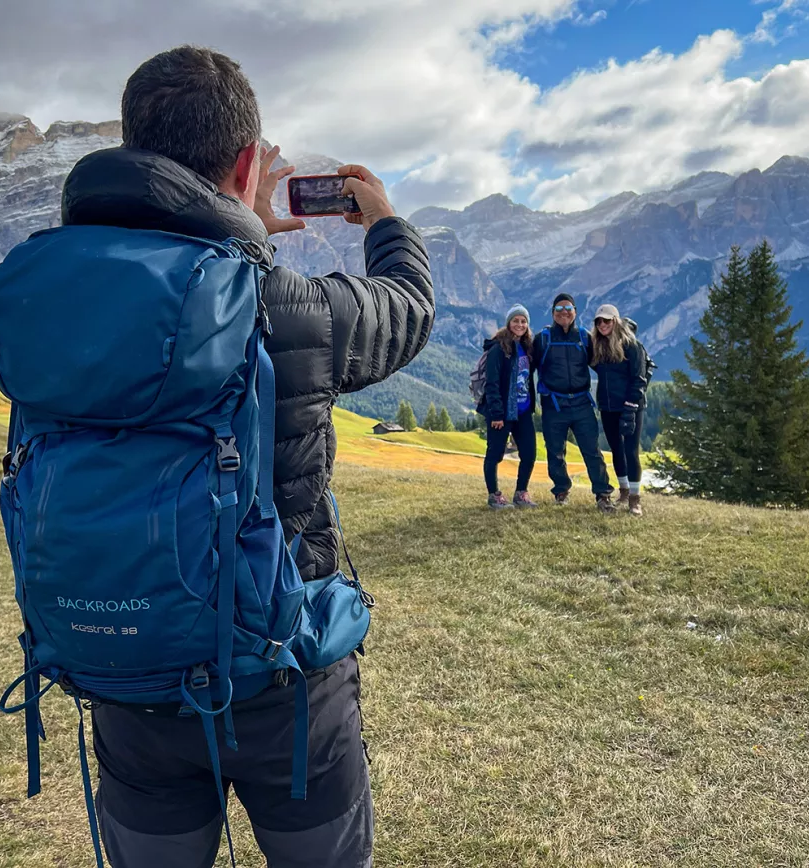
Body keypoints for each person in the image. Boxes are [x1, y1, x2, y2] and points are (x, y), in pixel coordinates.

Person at [59, 46, 435, 867]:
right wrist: (382, 221)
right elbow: (408, 309)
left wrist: (235, 222)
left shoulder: (59, 305)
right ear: (243, 163)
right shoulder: (282, 305)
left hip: (128, 668)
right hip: (282, 679)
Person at [531, 293, 615, 512]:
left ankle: (602, 494)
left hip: (581, 404)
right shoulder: (543, 339)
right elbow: (525, 366)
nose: (564, 312)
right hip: (554, 404)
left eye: (568, 307)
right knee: (555, 451)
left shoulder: (585, 338)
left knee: (592, 450)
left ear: (575, 311)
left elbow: (603, 365)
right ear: (552, 314)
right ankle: (561, 491)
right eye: (559, 309)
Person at [478, 303, 539, 509]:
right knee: (494, 454)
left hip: (522, 411)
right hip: (501, 412)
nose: (520, 324)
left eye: (523, 321)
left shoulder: (527, 347)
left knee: (529, 453)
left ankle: (521, 493)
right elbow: (492, 384)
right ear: (508, 323)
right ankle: (494, 495)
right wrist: (496, 414)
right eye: (516, 320)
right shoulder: (498, 348)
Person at [590, 304, 648, 516]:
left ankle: (635, 499)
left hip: (631, 406)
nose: (603, 324)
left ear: (616, 321)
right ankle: (623, 492)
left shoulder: (632, 346)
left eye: (607, 320)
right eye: (599, 321)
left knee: (631, 451)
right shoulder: (599, 347)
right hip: (608, 406)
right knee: (616, 449)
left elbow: (639, 380)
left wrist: (630, 408)